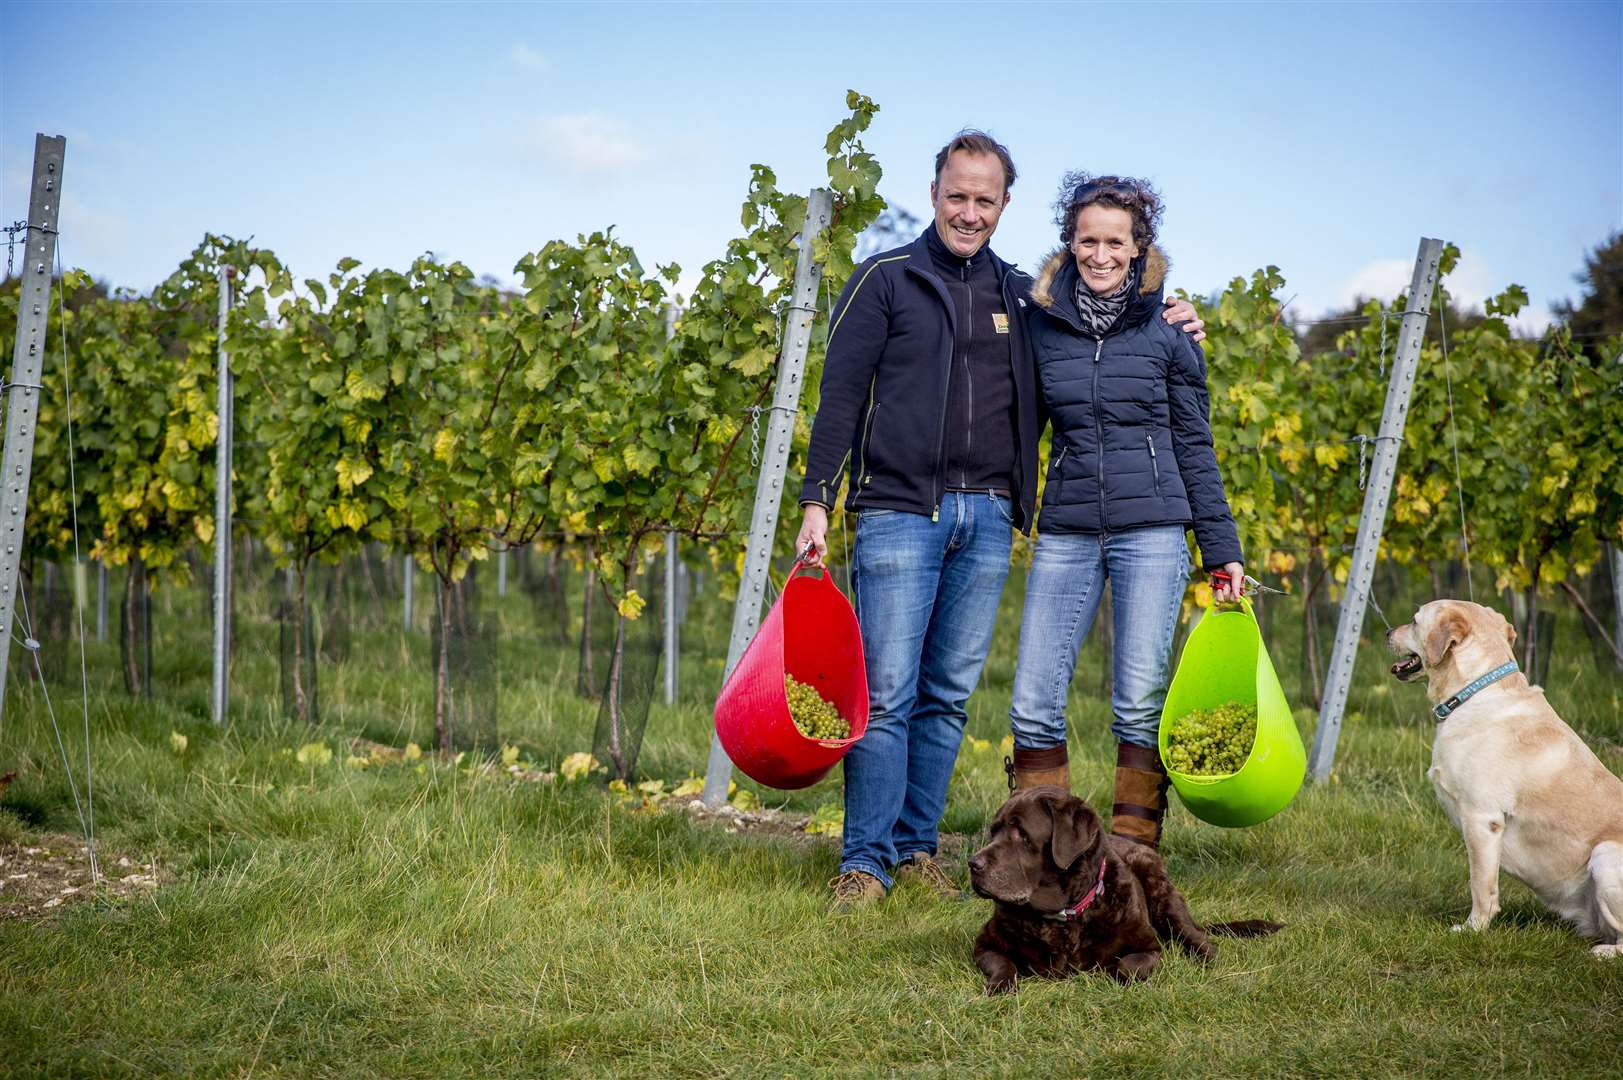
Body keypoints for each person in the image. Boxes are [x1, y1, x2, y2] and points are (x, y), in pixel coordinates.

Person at [795, 134, 1205, 911]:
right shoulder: (883, 280)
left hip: (986, 517)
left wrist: (1170, 313)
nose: (969, 212)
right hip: (896, 510)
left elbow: (1106, 335)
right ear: (934, 192)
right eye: (958, 195)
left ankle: (917, 849)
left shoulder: (1024, 298)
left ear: (1004, 205)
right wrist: (818, 497)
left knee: (947, 693)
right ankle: (864, 862)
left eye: (985, 200)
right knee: (885, 695)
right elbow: (840, 397)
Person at [1005, 173, 1244, 851]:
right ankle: (1038, 857)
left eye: (1115, 241)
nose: (1100, 255)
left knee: (1138, 701)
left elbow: (1195, 445)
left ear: (1139, 247)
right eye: (1087, 240)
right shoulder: (1039, 326)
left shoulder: (1171, 330)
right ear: (1069, 243)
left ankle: (1133, 860)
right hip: (1067, 529)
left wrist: (1219, 548)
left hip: (1154, 530)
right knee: (1031, 701)